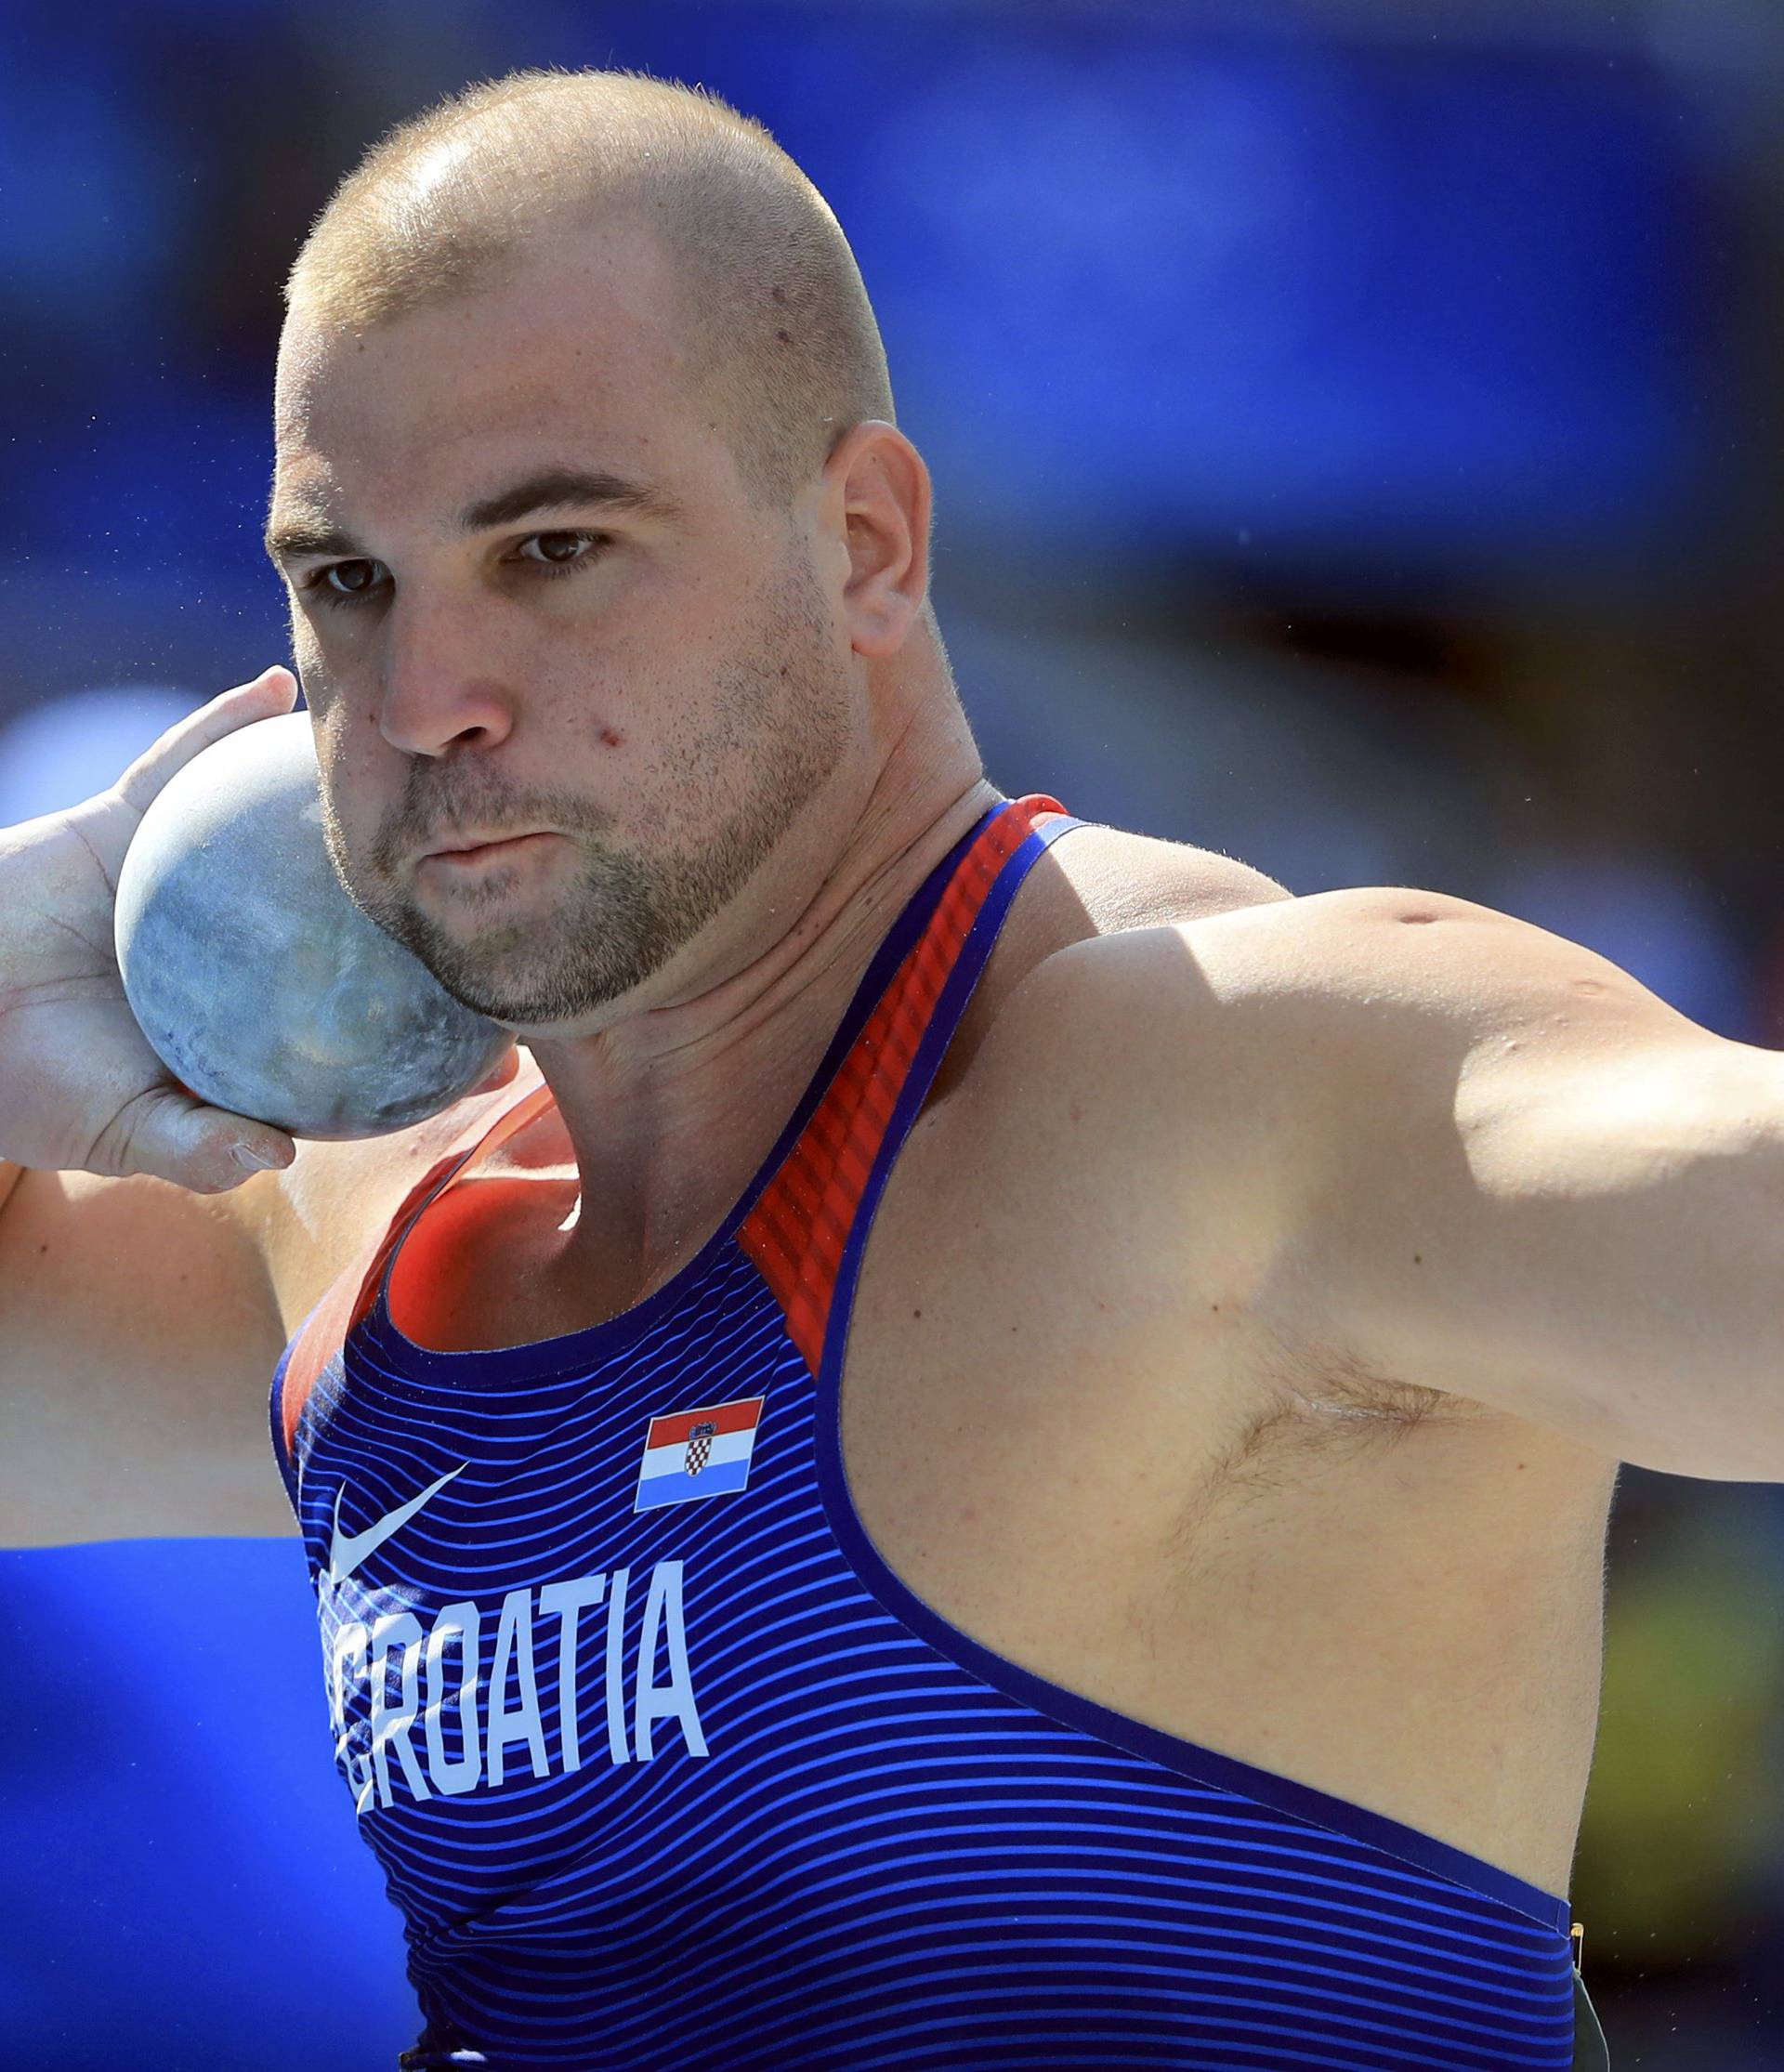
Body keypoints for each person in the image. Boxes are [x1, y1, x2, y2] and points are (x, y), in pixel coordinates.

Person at [16, 63, 1751, 2072]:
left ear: (862, 540)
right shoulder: (357, 1242)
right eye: (348, 580)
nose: (425, 699)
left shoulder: (1237, 1092)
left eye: (555, 547)